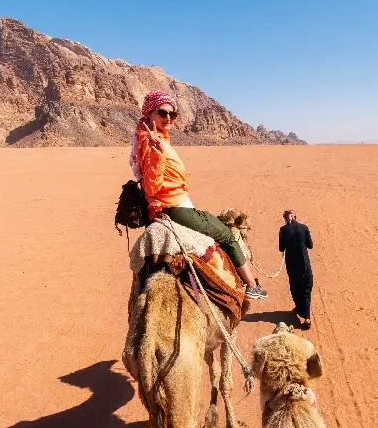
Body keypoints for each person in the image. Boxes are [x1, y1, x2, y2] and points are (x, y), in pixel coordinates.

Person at [130, 90, 268, 300]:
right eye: (162, 112)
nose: (168, 118)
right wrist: (159, 155)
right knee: (227, 236)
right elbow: (152, 185)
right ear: (150, 114)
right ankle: (251, 285)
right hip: (176, 207)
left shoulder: (156, 139)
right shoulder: (152, 144)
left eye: (172, 114)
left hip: (176, 202)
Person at [278, 209, 313, 329]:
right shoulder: (304, 227)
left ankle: (299, 308)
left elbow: (281, 248)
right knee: (306, 288)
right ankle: (307, 317)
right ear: (295, 217)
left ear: (285, 218)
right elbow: (310, 245)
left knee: (295, 287)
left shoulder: (283, 230)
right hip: (305, 264)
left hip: (292, 265)